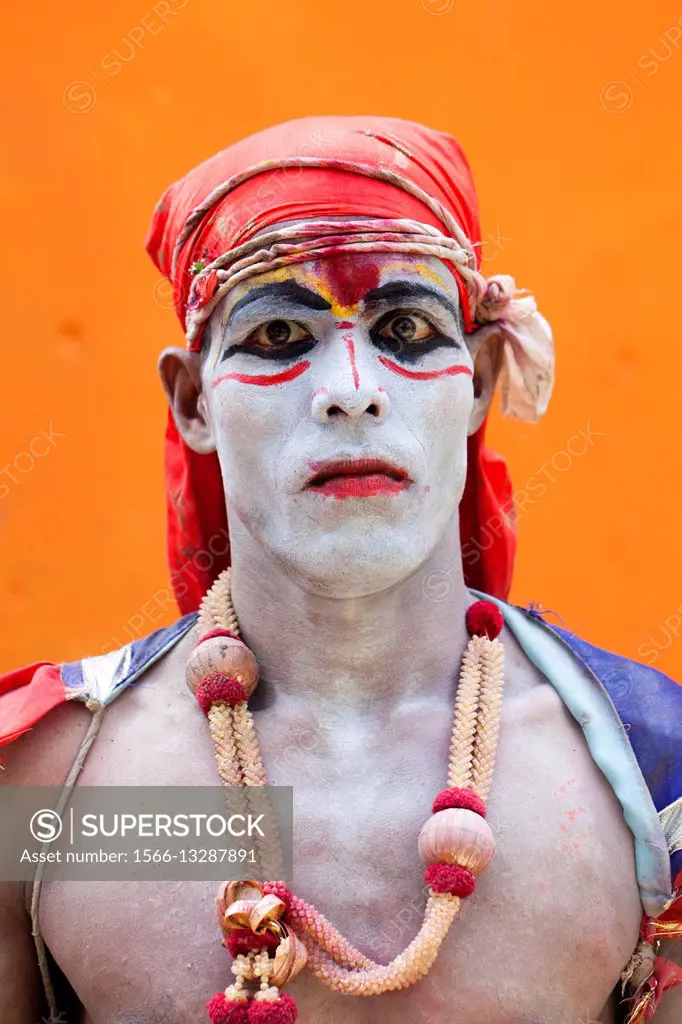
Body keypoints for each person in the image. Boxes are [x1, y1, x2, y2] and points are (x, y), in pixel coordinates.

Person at [0, 116, 680, 1024]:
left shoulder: (651, 778)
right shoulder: (50, 787)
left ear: (479, 380)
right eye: (280, 334)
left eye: (406, 327)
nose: (350, 388)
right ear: (194, 401)